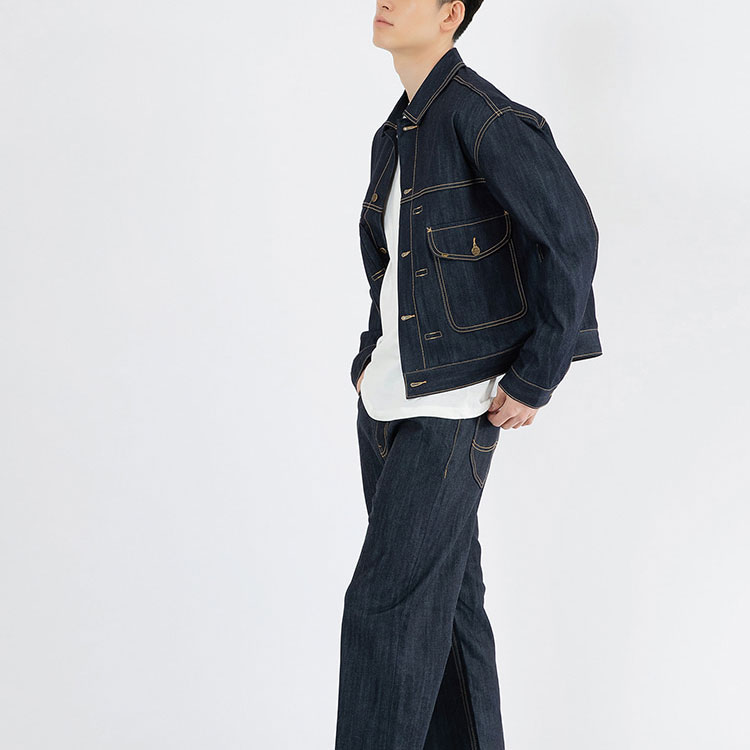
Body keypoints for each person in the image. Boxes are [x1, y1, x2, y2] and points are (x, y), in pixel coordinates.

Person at [335, 2, 603, 748]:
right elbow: (394, 268)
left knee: (384, 612)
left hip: (453, 410)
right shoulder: (395, 133)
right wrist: (369, 355)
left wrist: (537, 373)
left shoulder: (484, 118)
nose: (385, 1)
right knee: (450, 614)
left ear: (452, 13)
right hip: (387, 401)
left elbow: (571, 238)